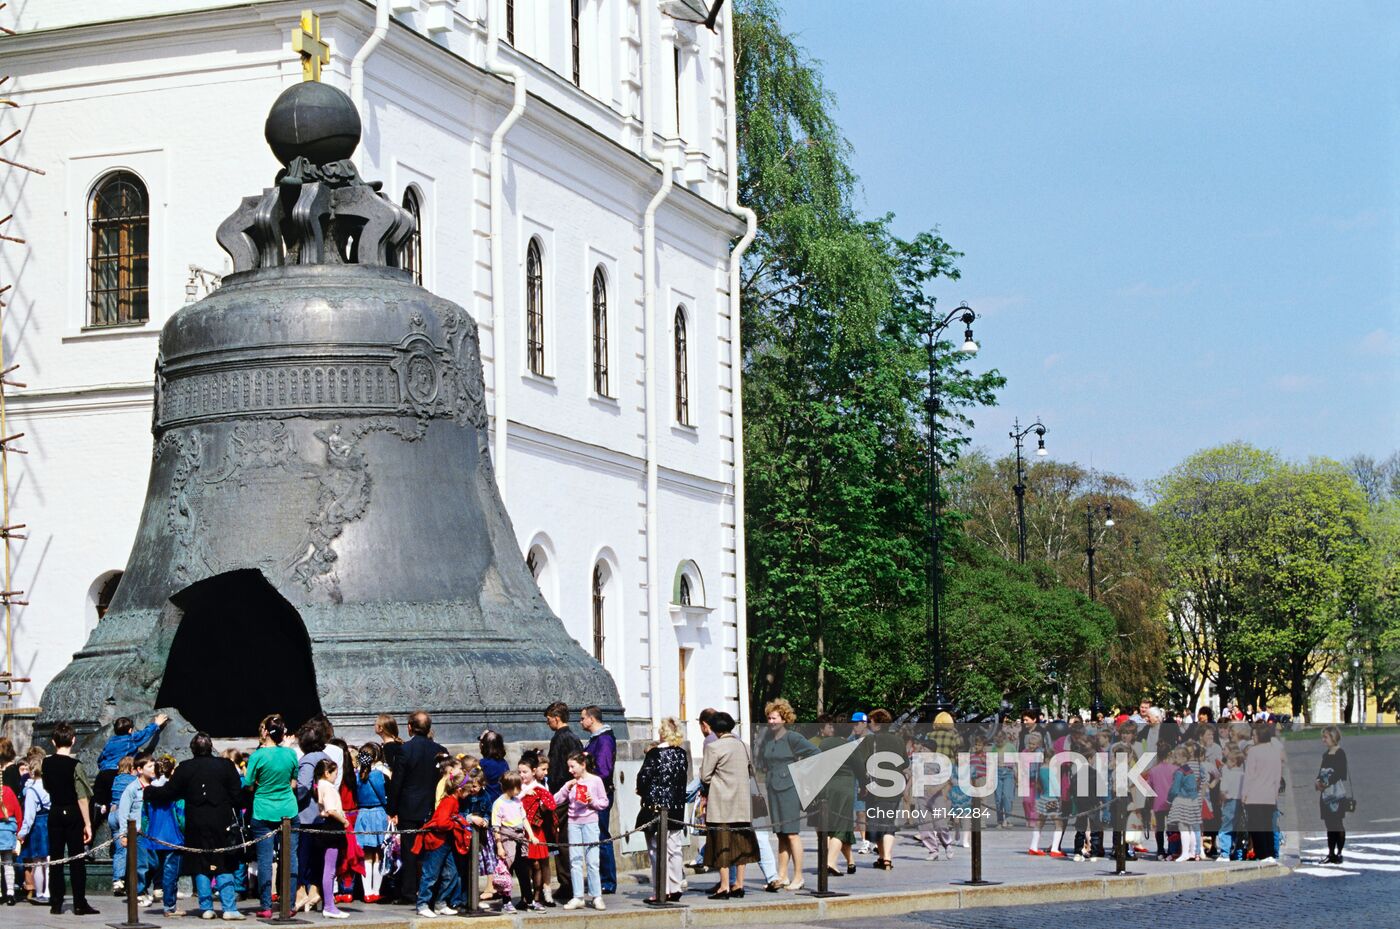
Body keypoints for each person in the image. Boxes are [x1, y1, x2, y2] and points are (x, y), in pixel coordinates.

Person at [143, 733, 246, 920]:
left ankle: (206, 907)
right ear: (211, 747)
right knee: (223, 862)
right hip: (221, 821)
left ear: (192, 749)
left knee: (201, 864)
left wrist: (149, 791)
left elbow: (169, 792)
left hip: (196, 821)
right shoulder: (225, 766)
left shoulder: (185, 768)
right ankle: (229, 907)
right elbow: (238, 796)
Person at [756, 698, 819, 889]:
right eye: (769, 718)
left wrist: (798, 771)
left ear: (784, 718)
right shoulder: (768, 739)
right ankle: (782, 875)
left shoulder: (793, 738)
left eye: (774, 718)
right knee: (781, 834)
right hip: (773, 788)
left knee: (792, 834)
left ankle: (798, 876)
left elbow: (815, 752)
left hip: (789, 789)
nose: (771, 721)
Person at [387, 710, 446, 906]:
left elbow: (398, 782)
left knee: (410, 851)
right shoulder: (440, 750)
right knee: (431, 850)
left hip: (409, 807)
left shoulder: (405, 750)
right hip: (432, 807)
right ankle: (431, 888)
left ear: (410, 727)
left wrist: (392, 808)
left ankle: (409, 892)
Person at [242, 714, 299, 918]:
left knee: (265, 860)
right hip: (288, 809)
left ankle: (266, 905)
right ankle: (289, 904)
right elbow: (294, 783)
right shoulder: (291, 754)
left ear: (265, 731)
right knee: (290, 857)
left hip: (263, 809)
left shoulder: (257, 756)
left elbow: (248, 784)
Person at [699, 711, 759, 899]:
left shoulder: (714, 747)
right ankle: (739, 884)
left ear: (715, 729)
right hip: (742, 803)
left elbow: (705, 776)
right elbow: (752, 771)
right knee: (742, 844)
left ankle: (724, 886)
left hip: (721, 803)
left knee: (721, 844)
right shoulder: (744, 746)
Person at [42, 722, 98, 917]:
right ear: (73, 740)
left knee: (55, 859)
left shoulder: (45, 763)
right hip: (73, 812)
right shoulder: (76, 765)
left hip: (55, 811)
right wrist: (88, 824)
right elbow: (82, 796)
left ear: (53, 741)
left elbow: (48, 786)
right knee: (77, 859)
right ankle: (79, 903)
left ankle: (56, 903)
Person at [635, 718, 687, 904]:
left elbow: (644, 777)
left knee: (656, 850)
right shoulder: (681, 754)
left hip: (655, 806)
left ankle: (660, 889)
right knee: (674, 848)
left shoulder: (655, 754)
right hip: (676, 807)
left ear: (662, 732)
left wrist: (641, 791)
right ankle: (675, 886)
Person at [554, 752, 609, 911]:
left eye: (573, 766)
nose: (570, 770)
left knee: (592, 861)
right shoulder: (571, 783)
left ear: (583, 764)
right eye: (569, 767)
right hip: (573, 823)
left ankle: (596, 895)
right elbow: (555, 800)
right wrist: (566, 788)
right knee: (575, 860)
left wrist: (592, 801)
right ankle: (578, 896)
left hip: (590, 822)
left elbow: (604, 802)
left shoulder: (595, 780)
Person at [412, 772, 468, 919]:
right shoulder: (449, 801)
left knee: (451, 873)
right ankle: (422, 904)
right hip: (437, 842)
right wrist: (456, 823)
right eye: (467, 790)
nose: (469, 794)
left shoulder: (454, 801)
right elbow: (442, 822)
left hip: (446, 841)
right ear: (459, 790)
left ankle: (440, 903)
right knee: (430, 875)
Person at [544, 702, 583, 903]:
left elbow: (557, 770)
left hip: (562, 795)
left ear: (556, 718)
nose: (548, 722)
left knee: (561, 841)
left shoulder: (560, 739)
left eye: (549, 718)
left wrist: (554, 792)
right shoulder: (574, 738)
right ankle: (571, 882)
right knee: (568, 841)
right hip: (573, 795)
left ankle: (567, 883)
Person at [579, 705, 617, 894]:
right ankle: (601, 877)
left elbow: (604, 769)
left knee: (601, 835)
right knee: (596, 835)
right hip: (594, 792)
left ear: (591, 719)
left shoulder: (604, 740)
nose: (580, 721)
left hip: (600, 793)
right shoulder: (597, 739)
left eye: (582, 718)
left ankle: (608, 880)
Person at [307, 759, 349, 919]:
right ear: (327, 773)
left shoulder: (319, 786)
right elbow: (331, 809)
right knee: (330, 869)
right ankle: (329, 906)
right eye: (335, 773)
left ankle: (328, 904)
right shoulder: (329, 787)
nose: (336, 777)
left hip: (325, 826)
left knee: (328, 867)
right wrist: (344, 820)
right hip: (333, 827)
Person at [114, 755, 155, 905]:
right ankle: (139, 892)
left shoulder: (156, 786)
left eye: (154, 766)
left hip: (153, 833)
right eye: (150, 766)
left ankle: (142, 888)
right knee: (141, 864)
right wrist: (123, 834)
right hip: (138, 832)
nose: (153, 769)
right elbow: (124, 813)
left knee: (154, 863)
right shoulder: (132, 789)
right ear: (139, 769)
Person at [353, 743, 391, 902]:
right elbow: (384, 795)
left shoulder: (357, 775)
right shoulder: (379, 775)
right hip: (379, 813)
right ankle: (376, 890)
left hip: (363, 813)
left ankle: (367, 892)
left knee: (366, 854)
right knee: (378, 853)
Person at [517, 751, 555, 910]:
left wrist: (542, 806)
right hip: (520, 829)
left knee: (537, 864)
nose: (521, 775)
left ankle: (537, 895)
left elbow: (550, 805)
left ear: (533, 771)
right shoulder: (518, 787)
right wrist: (524, 793)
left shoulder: (539, 788)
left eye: (524, 772)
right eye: (519, 772)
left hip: (535, 829)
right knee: (523, 865)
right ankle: (526, 896)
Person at [1241, 722, 1283, 861]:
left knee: (1256, 827)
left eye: (1254, 735)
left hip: (1254, 794)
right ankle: (1270, 853)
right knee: (1267, 826)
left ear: (1259, 736)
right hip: (1269, 795)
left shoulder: (1254, 751)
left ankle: (1262, 854)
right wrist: (1275, 793)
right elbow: (1278, 775)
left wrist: (1244, 794)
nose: (1253, 738)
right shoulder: (1275, 751)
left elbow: (1249, 775)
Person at [1316, 726, 1350, 864]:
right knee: (1329, 824)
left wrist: (1327, 782)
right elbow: (1321, 771)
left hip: (1336, 794)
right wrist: (1317, 781)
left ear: (1333, 737)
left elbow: (1341, 773)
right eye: (1323, 737)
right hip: (1325, 794)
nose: (1323, 740)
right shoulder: (1326, 754)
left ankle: (1339, 852)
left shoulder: (1340, 753)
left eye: (1326, 737)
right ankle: (1331, 853)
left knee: (1337, 823)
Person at [19, 753, 50, 906]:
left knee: (38, 861)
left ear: (32, 771)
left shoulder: (31, 791)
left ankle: (39, 893)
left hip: (38, 825)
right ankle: (49, 891)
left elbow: (29, 816)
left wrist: (22, 833)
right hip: (50, 822)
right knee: (50, 861)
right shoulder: (49, 786)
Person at [106, 756, 137, 896]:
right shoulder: (133, 780)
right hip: (125, 815)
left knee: (120, 850)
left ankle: (118, 880)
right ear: (132, 768)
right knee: (131, 850)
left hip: (113, 814)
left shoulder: (116, 779)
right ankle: (131, 881)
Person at [1217, 748, 1245, 860]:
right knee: (1236, 827)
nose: (1226, 762)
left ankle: (1224, 853)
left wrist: (1221, 799)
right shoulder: (1243, 775)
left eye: (1228, 760)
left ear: (1233, 762)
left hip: (1229, 802)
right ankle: (1238, 852)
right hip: (1240, 803)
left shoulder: (1228, 775)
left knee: (1225, 828)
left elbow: (1223, 790)